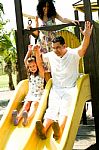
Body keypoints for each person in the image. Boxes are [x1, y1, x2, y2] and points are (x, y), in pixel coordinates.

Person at [35, 21, 93, 140]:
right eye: (54, 48)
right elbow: (40, 60)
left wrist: (86, 36)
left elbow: (83, 48)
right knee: (52, 109)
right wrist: (36, 52)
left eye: (58, 47)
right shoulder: (51, 55)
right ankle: (44, 129)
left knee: (64, 110)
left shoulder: (72, 53)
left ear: (64, 45)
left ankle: (59, 130)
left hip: (70, 89)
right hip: (56, 89)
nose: (56, 50)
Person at [12, 45, 44, 126]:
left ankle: (27, 119)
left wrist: (36, 52)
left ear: (36, 65)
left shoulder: (40, 74)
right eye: (30, 67)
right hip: (31, 94)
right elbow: (25, 60)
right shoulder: (30, 74)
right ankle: (18, 118)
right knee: (26, 105)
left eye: (33, 66)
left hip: (38, 95)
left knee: (34, 105)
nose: (32, 68)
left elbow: (39, 63)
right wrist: (29, 51)